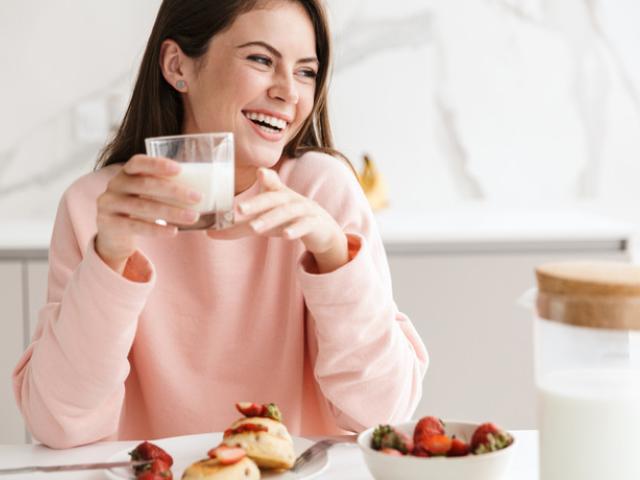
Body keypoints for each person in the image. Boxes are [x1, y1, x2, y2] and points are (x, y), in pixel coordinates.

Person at [13, 0, 428, 449]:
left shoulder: (323, 191)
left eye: (306, 72)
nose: (289, 91)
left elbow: (382, 414)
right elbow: (58, 424)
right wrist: (109, 260)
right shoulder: (93, 205)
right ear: (178, 67)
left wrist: (332, 256)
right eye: (261, 60)